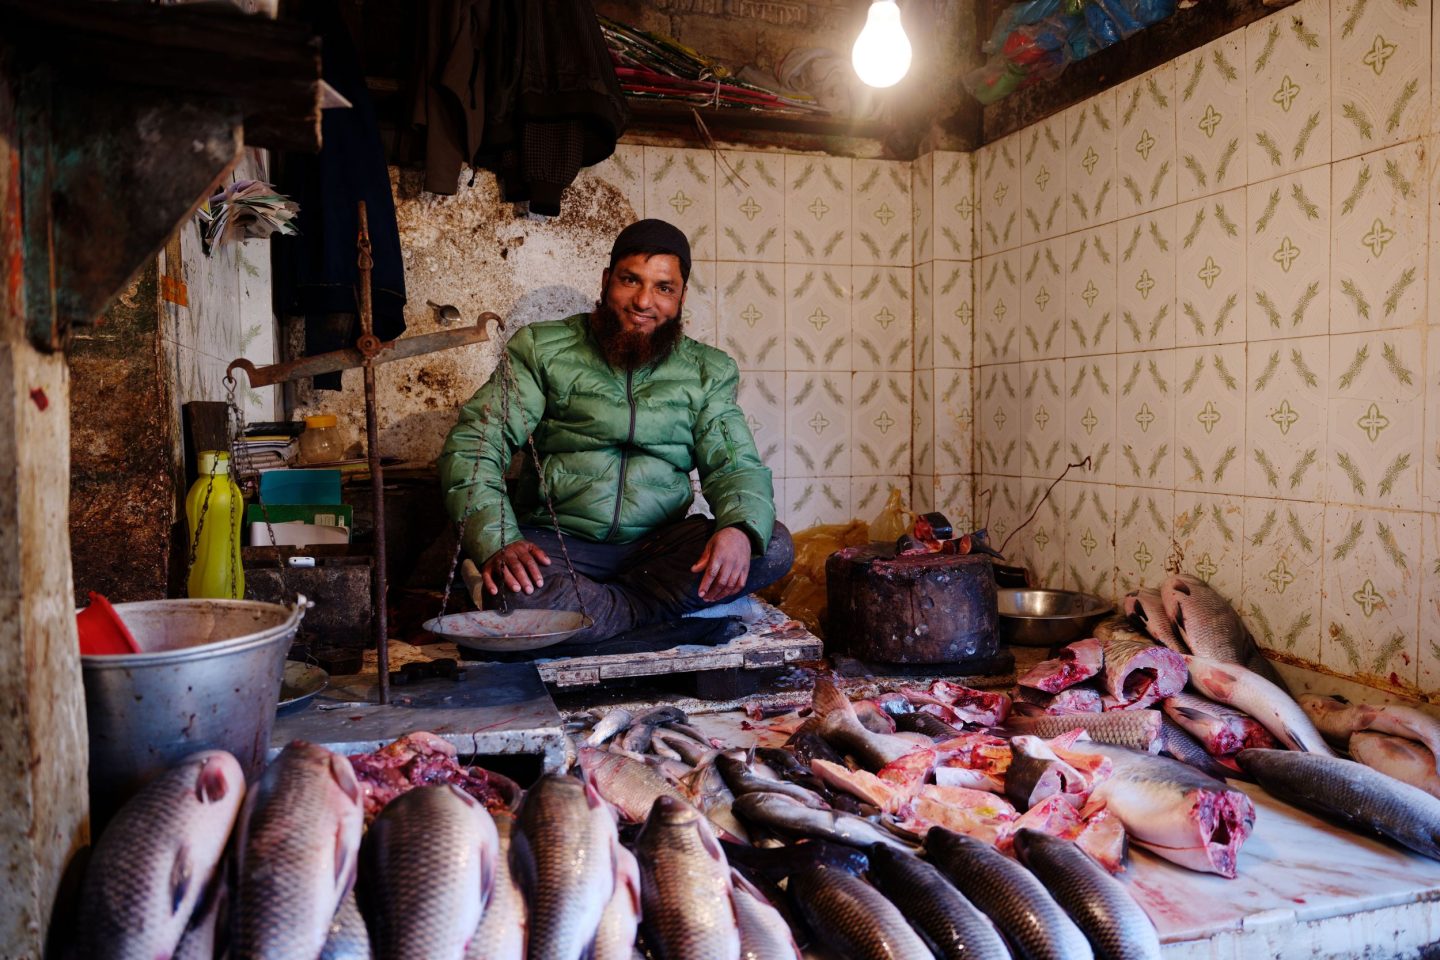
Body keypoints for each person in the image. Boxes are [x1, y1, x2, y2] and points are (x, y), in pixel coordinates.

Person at [438, 219, 793, 645]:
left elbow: (736, 467)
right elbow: (477, 443)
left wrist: (737, 529)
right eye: (631, 281)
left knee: (768, 544)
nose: (644, 301)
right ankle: (664, 626)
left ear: (680, 297)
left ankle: (596, 622)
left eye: (664, 288)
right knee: (512, 587)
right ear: (607, 281)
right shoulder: (542, 348)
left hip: (657, 552)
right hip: (560, 546)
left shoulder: (707, 371)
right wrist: (498, 541)